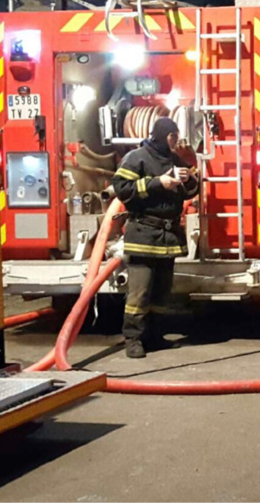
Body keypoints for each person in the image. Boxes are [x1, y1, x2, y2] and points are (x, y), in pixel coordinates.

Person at [111, 117, 199, 358]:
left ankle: (154, 335)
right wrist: (157, 182)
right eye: (172, 136)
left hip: (167, 237)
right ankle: (133, 339)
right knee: (139, 293)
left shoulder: (172, 158)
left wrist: (187, 178)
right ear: (161, 135)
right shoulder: (137, 157)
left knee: (161, 292)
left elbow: (193, 189)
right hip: (143, 234)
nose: (176, 140)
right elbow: (122, 188)